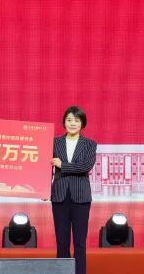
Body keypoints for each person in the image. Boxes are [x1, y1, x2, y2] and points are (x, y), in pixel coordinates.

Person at [51, 106, 97, 274]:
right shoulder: (55, 142)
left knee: (80, 242)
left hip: (81, 197)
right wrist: (41, 189)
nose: (72, 123)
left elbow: (85, 166)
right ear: (64, 122)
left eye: (76, 120)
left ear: (82, 123)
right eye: (69, 120)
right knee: (61, 241)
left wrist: (62, 165)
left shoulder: (90, 144)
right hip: (59, 195)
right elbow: (45, 167)